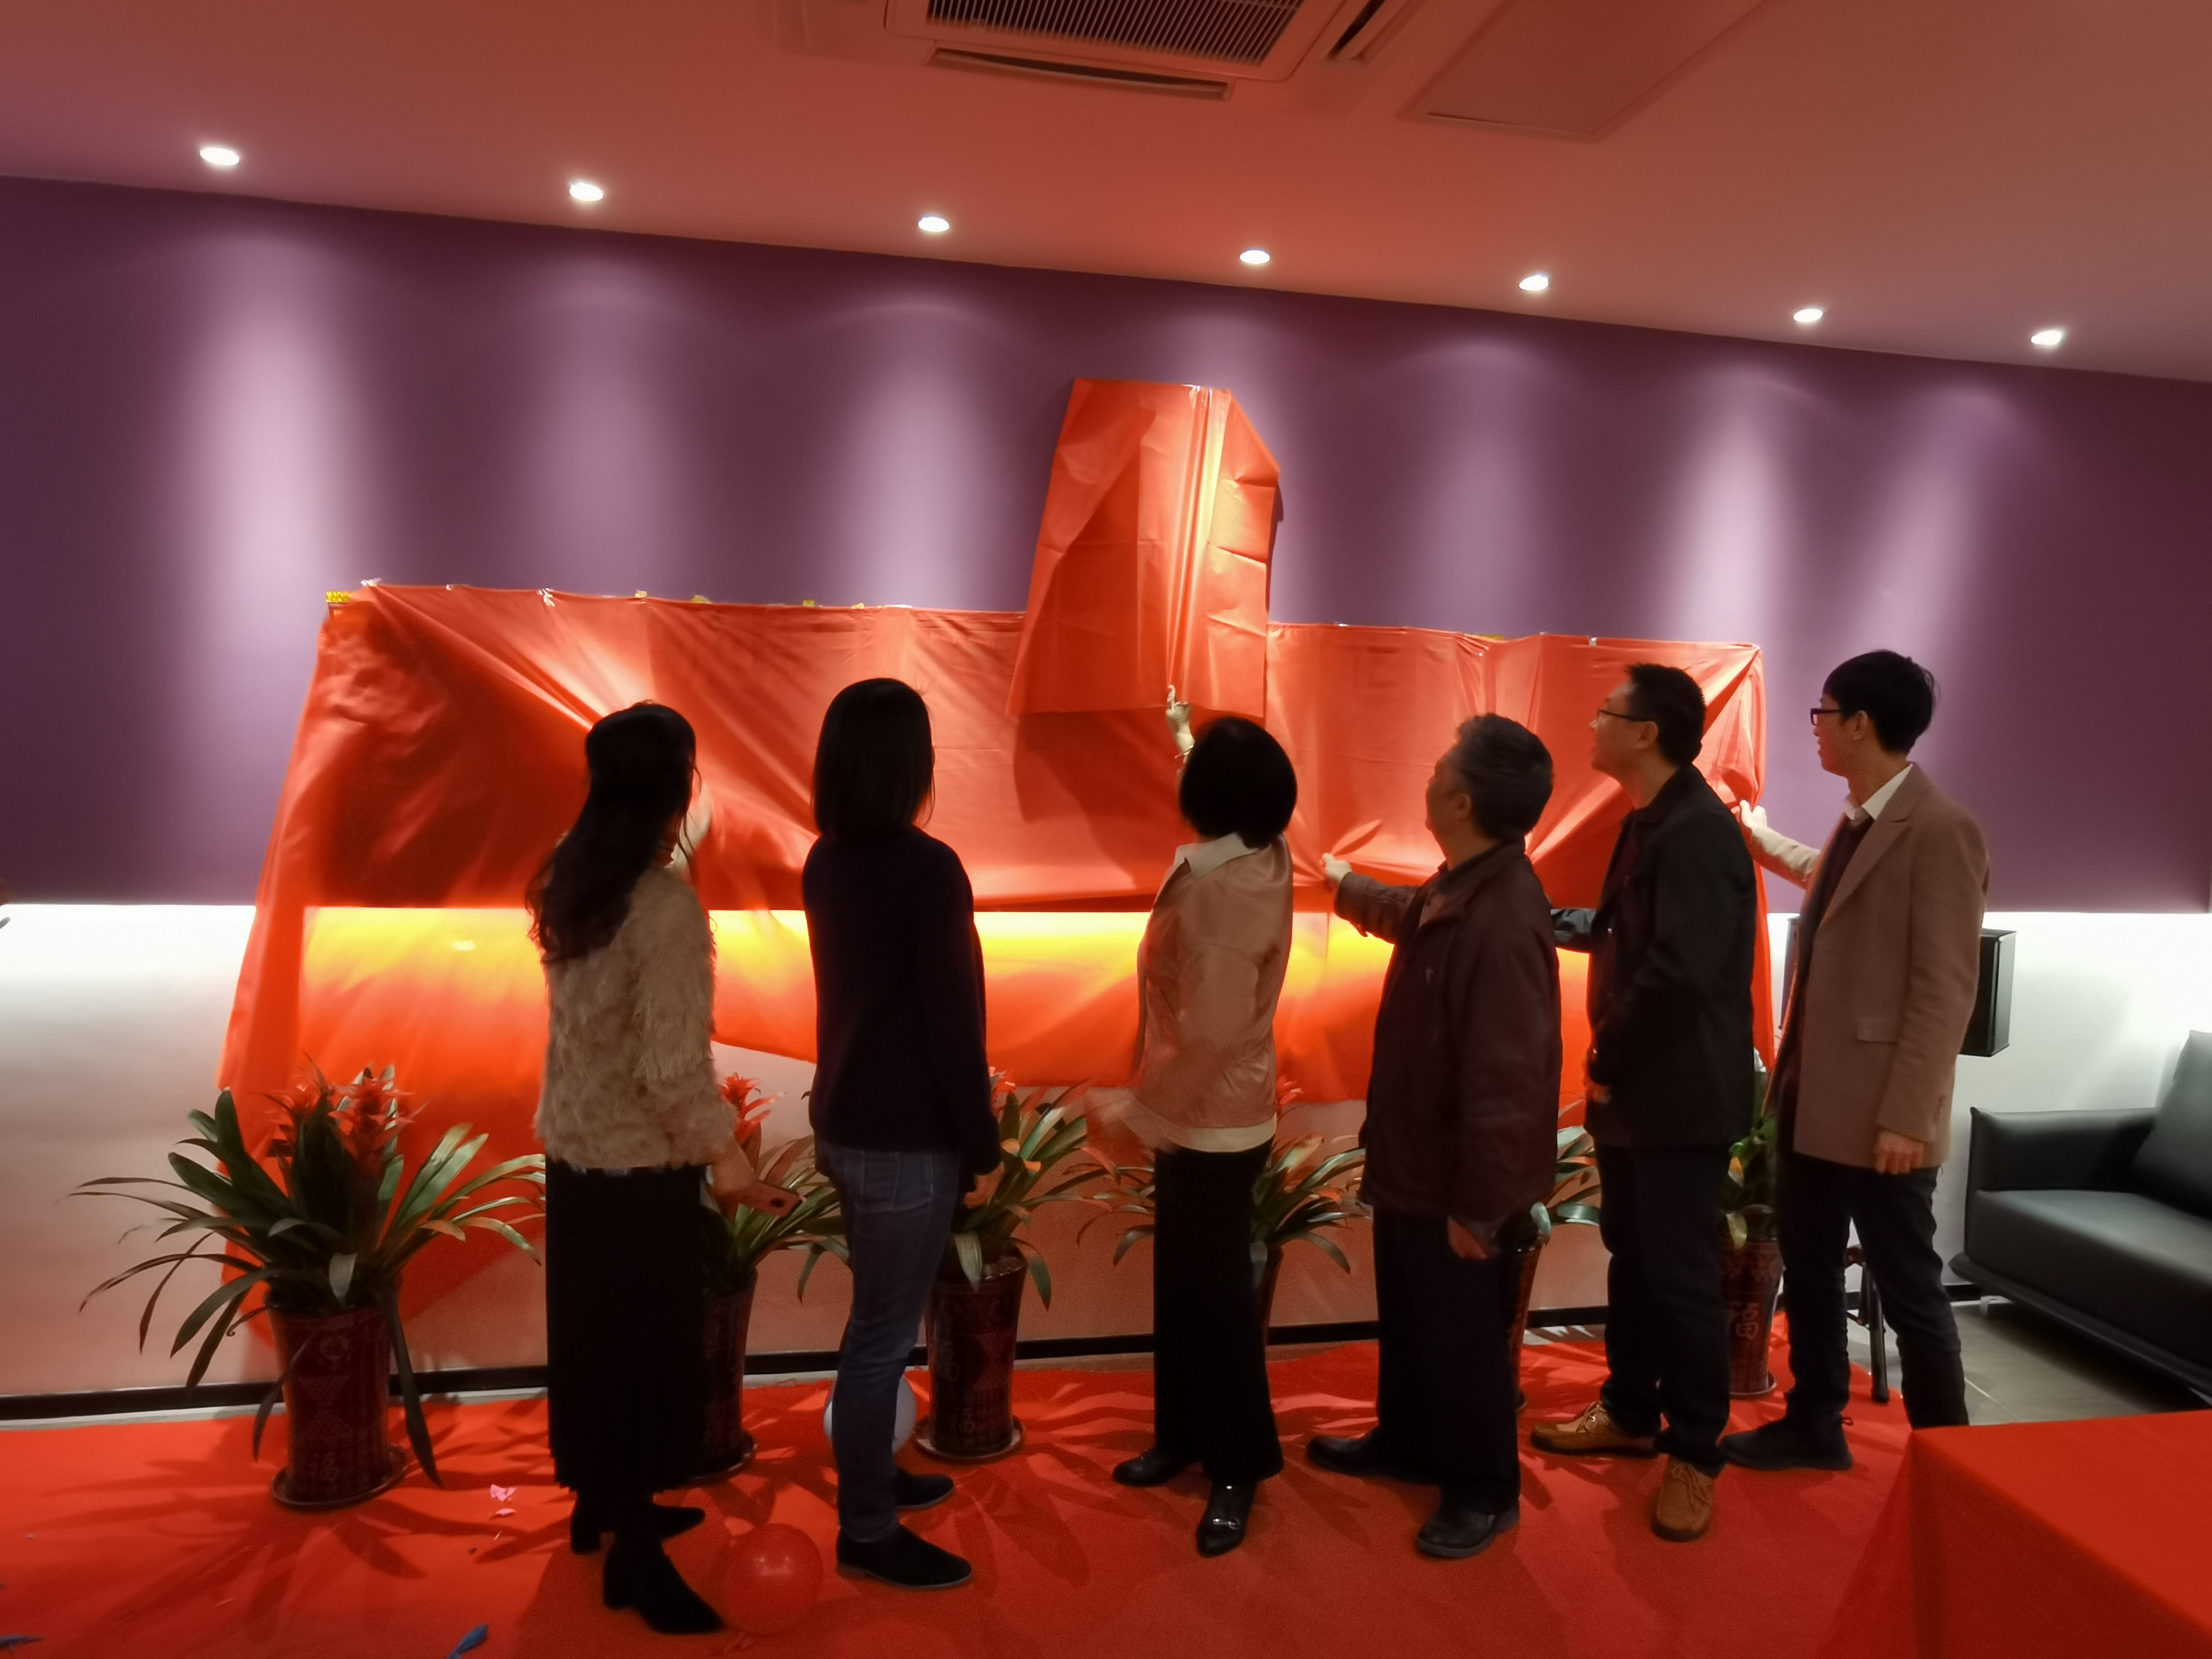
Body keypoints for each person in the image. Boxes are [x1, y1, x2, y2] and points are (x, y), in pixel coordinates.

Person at [530, 702, 799, 1636]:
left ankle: (599, 1507)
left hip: (575, 1158)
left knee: (592, 1349)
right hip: (642, 1170)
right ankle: (638, 1559)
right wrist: (729, 1164)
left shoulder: (570, 877)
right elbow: (673, 1070)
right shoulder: (665, 909)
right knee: (647, 1365)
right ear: (678, 791)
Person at [1722, 651, 1987, 1469]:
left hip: (1881, 1119)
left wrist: (1908, 1117)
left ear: (1861, 725)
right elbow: (1830, 880)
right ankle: (1814, 1423)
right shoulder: (1863, 817)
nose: (1816, 728)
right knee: (1808, 1273)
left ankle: (1953, 1462)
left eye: (1824, 713)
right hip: (1815, 1100)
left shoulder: (1941, 829)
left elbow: (1945, 991)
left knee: (1909, 1290)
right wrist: (1760, 839)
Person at [1308, 714, 1562, 1560]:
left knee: (1463, 1339)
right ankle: (1410, 1440)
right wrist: (1344, 885)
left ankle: (1486, 1491)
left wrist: (1481, 1209)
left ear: (1461, 801)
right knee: (1415, 1319)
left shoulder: (1503, 915)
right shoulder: (1467, 880)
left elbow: (1508, 1082)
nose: (1429, 775)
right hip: (1418, 1162)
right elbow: (1408, 914)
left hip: (1460, 1182)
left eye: (1441, 766)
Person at [1531, 664, 1757, 1546]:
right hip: (1638, 1093)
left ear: (1646, 732)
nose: (1592, 724)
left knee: (1682, 1276)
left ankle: (1697, 1451)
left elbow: (1678, 974)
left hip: (1677, 1097)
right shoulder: (1649, 819)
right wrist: (1536, 918)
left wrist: (1606, 1056)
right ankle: (1630, 1409)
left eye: (1605, 712)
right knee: (1634, 1256)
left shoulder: (1696, 831)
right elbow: (1626, 935)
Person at [804, 678, 1001, 1592]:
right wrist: (982, 1144)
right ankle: (868, 1528)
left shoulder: (826, 861)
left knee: (874, 1324)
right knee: (881, 1337)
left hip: (846, 1122)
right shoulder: (927, 870)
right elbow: (953, 1023)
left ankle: (875, 1484)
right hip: (903, 1140)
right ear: (911, 765)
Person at [1097, 705, 1298, 1558]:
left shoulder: (1223, 893)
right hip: (1211, 1112)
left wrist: (1138, 1113)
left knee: (1214, 1302)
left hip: (1210, 1118)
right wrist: (1185, 734)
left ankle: (1238, 1465)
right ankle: (1180, 1435)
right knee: (1183, 1286)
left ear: (1210, 798)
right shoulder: (1261, 849)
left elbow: (1211, 1034)